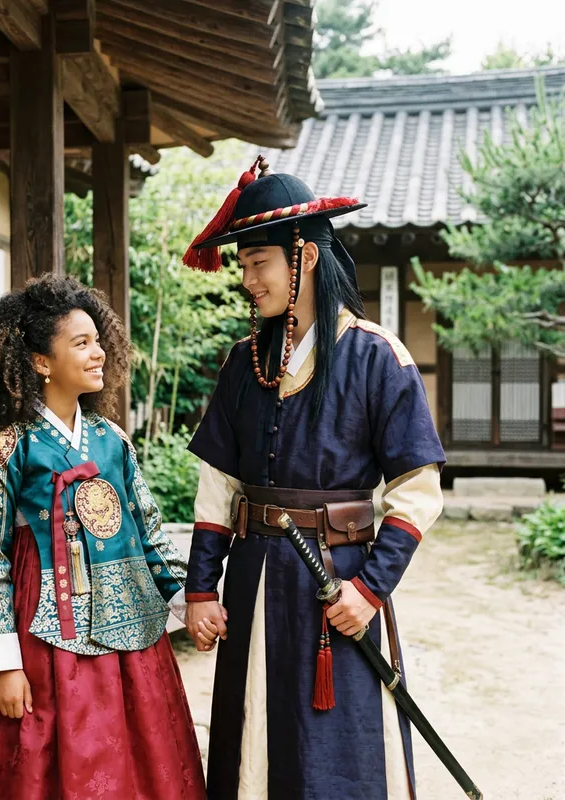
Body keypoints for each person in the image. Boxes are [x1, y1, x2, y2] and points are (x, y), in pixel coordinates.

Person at [181, 157, 446, 799]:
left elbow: (417, 490)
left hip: (337, 584)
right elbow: (219, 487)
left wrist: (370, 590)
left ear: (304, 257)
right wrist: (201, 589)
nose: (247, 280)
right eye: (242, 266)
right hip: (254, 579)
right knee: (255, 740)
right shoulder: (244, 364)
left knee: (337, 750)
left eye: (258, 264)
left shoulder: (377, 356)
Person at [0, 274, 205, 799]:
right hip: (38, 625)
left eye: (98, 341)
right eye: (81, 343)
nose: (99, 353)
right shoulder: (6, 446)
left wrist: (190, 601)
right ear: (41, 362)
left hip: (127, 625)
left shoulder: (112, 440)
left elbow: (148, 533)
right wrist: (6, 665)